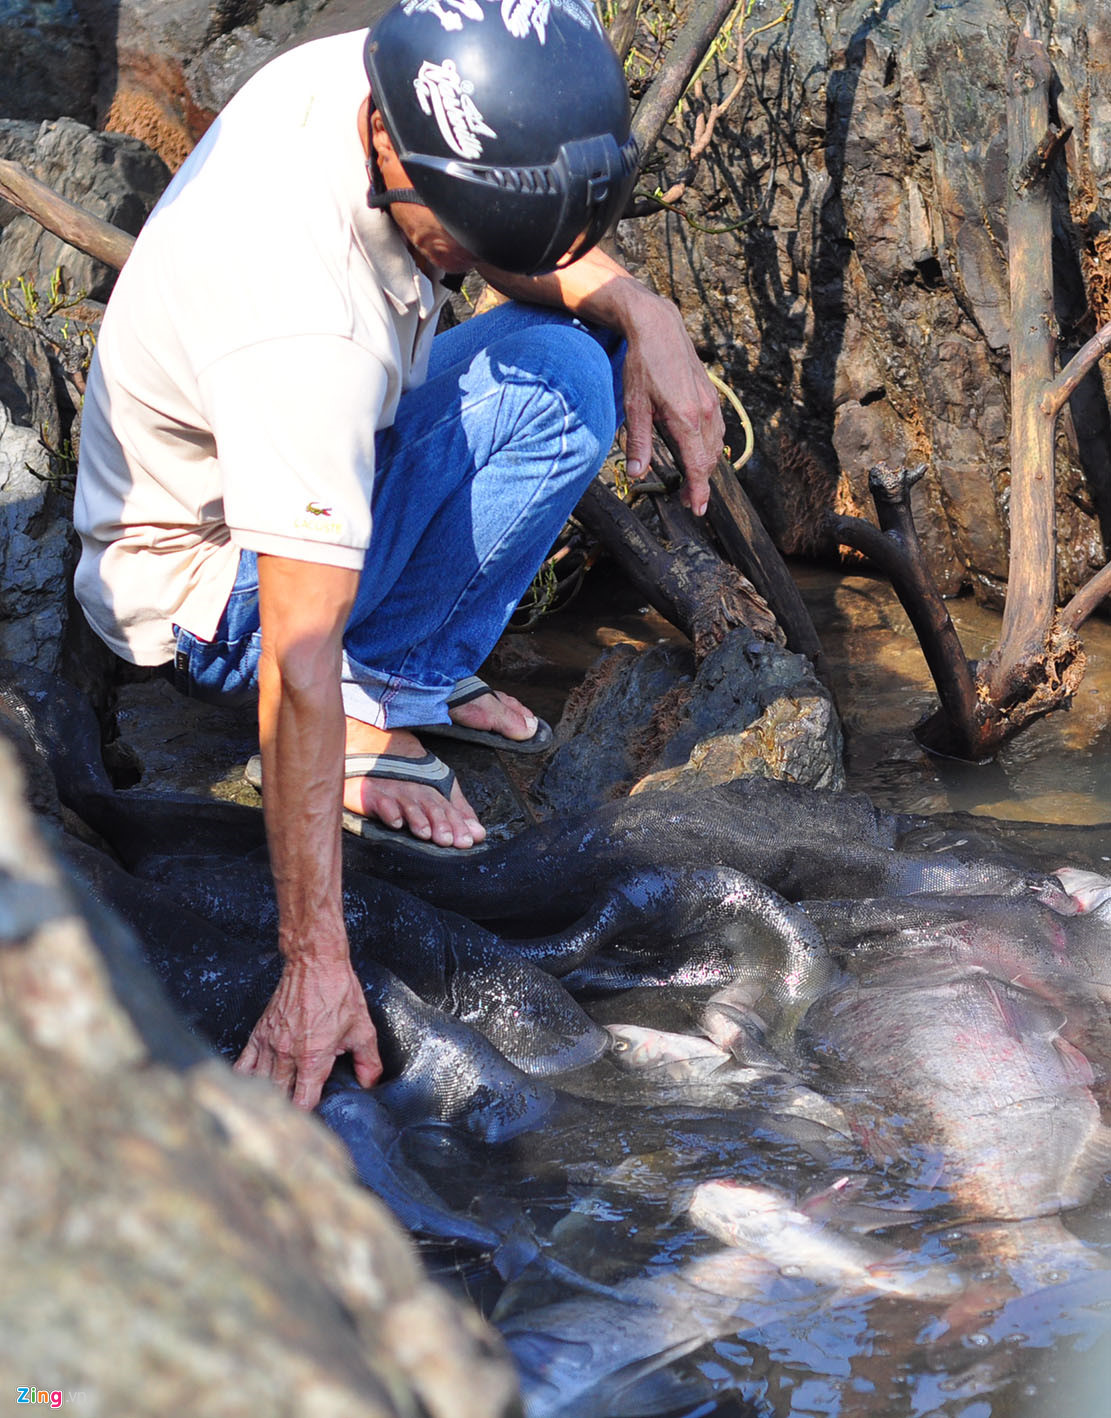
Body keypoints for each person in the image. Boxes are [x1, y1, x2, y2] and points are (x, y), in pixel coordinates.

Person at [73, 0, 725, 1108]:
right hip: (207, 582)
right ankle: (382, 702)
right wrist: (314, 962)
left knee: (564, 371)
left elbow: (528, 250)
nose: (489, 266)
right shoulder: (302, 318)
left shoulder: (386, 78)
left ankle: (411, 660)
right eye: (469, 246)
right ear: (397, 159)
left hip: (323, 440)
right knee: (535, 393)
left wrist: (637, 302)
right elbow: (296, 656)